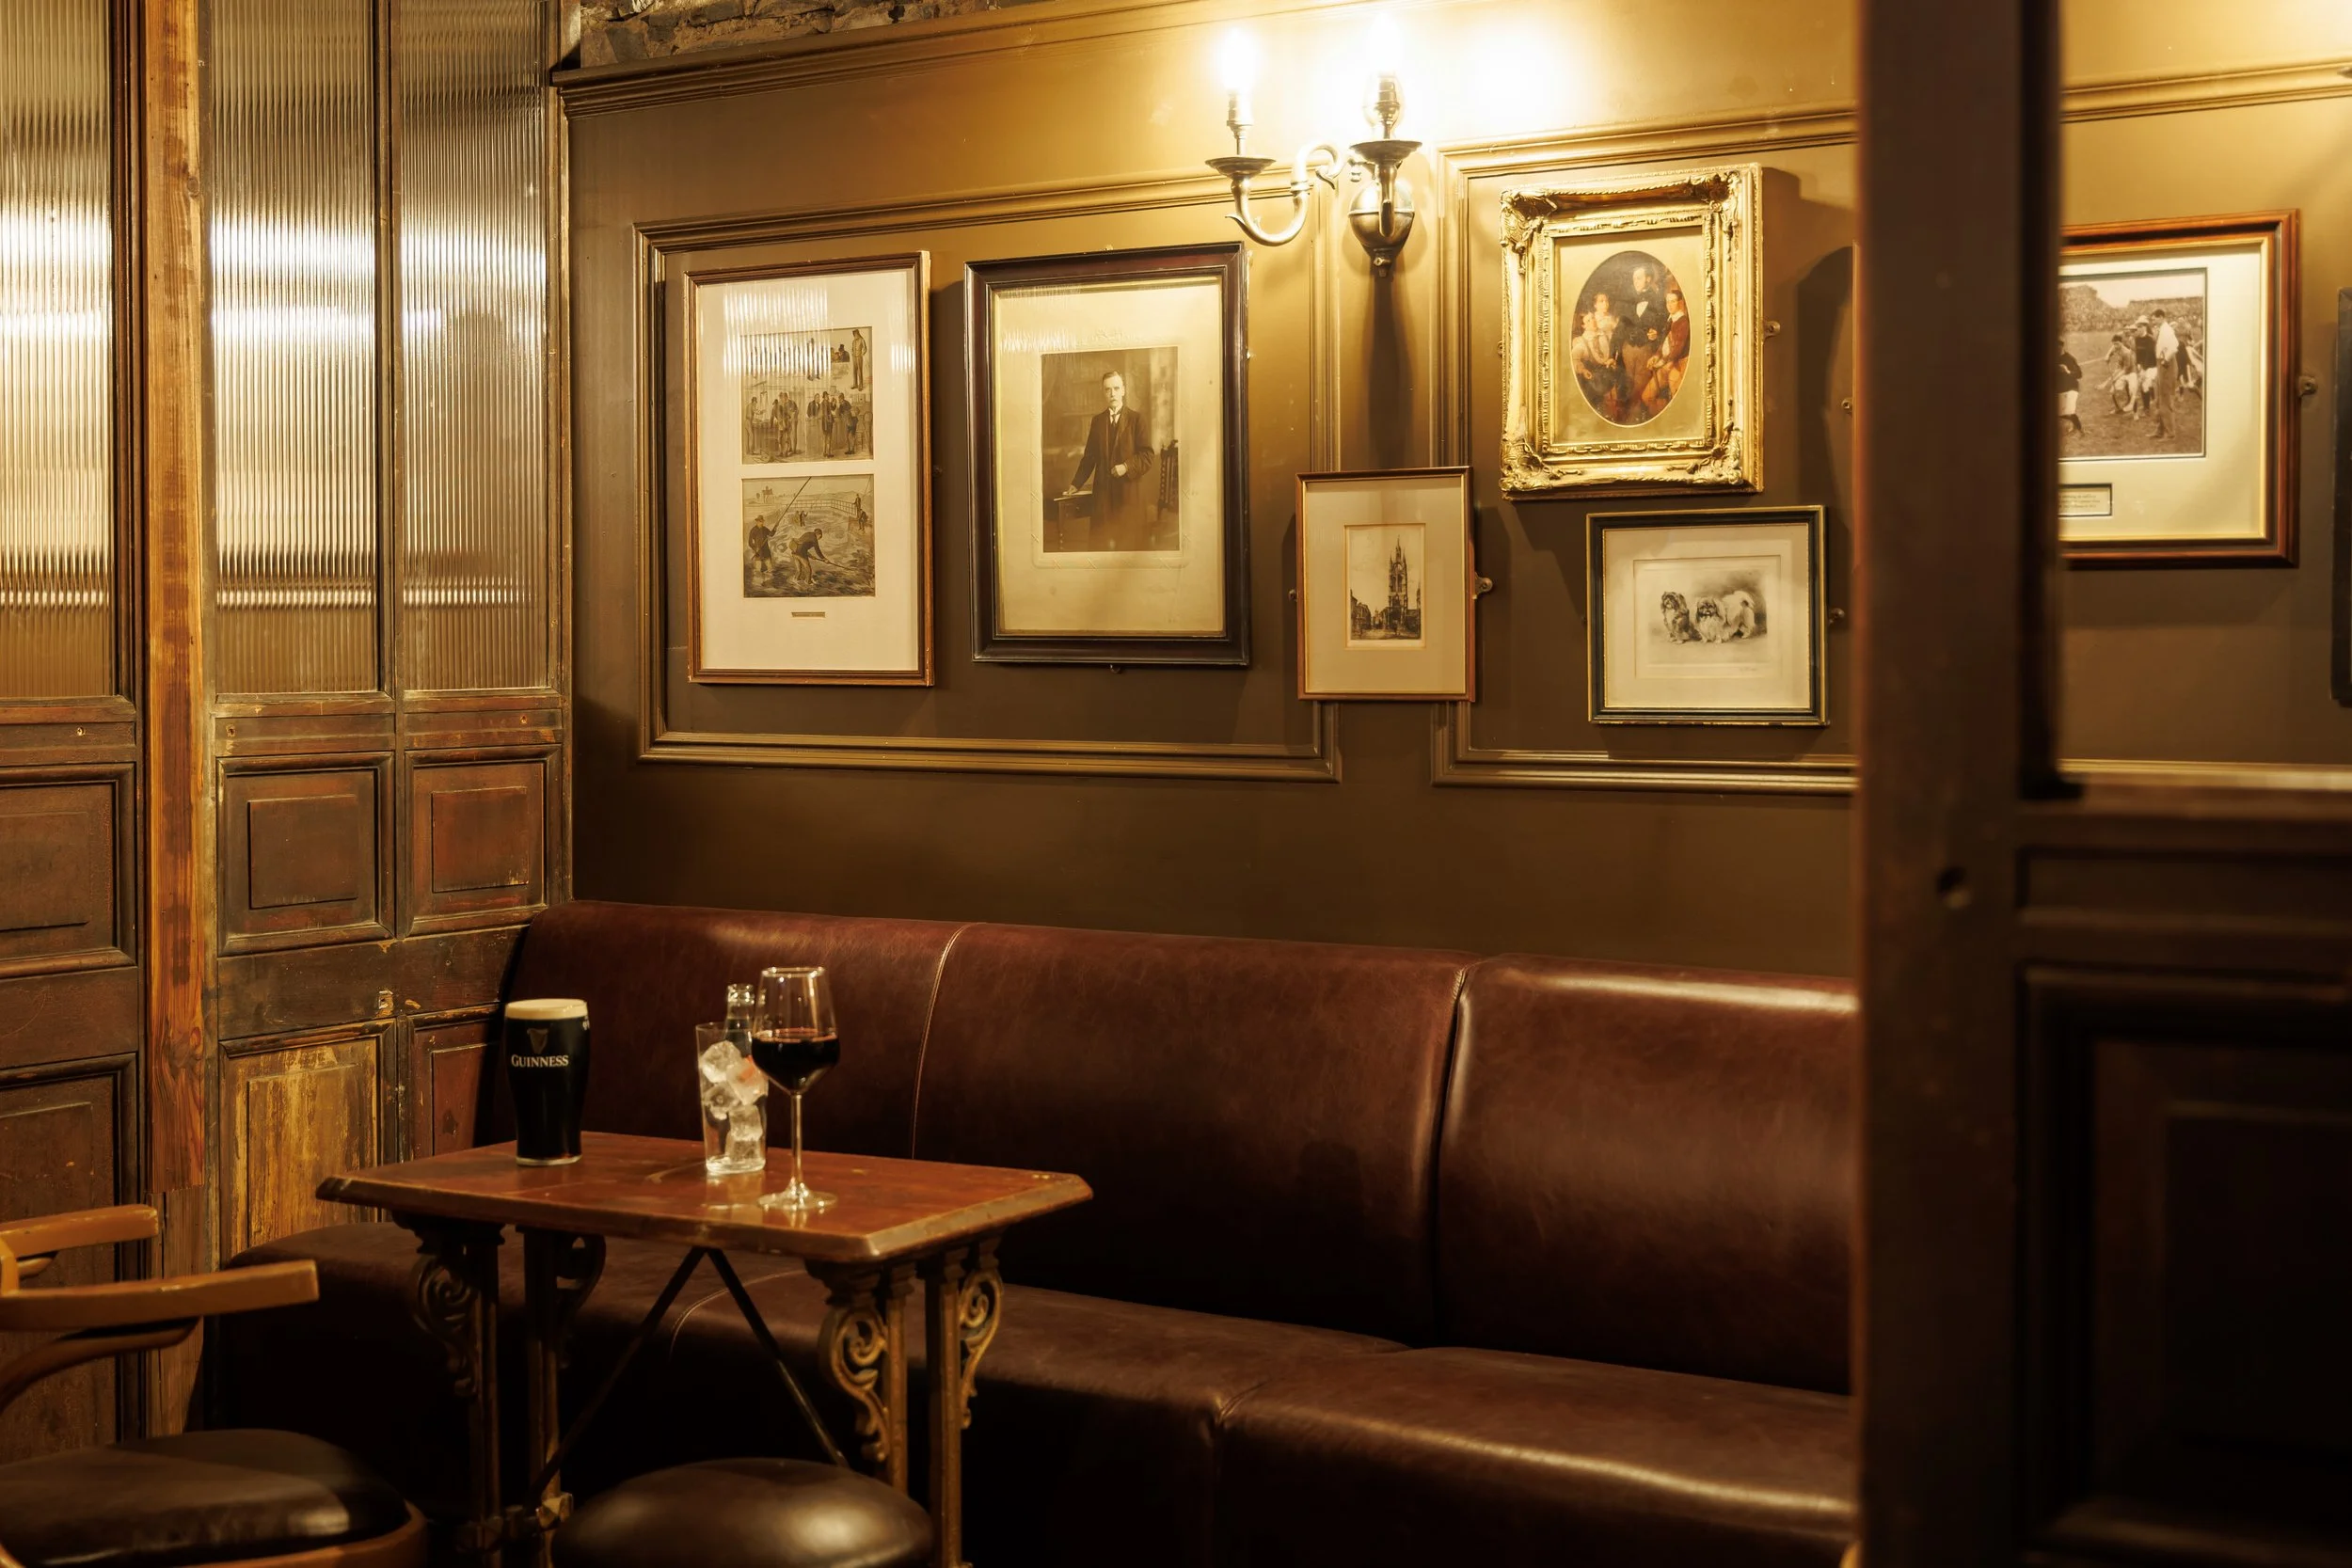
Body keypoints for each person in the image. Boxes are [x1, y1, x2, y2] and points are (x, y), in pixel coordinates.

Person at [1061, 369, 1155, 550]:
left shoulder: (1137, 419)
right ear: (1103, 392)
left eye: (1116, 388)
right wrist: (1076, 483)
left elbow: (1147, 455)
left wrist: (1127, 467)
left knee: (1127, 547)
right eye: (1108, 389)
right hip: (1104, 496)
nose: (1112, 393)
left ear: (1124, 390)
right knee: (1101, 546)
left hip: (1129, 496)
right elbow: (1089, 457)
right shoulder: (1097, 421)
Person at [2151, 309, 2181, 438]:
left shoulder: (2167, 330)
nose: (2153, 321)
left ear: (2161, 317)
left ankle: (2170, 433)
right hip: (2161, 363)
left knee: (2165, 399)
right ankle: (2160, 430)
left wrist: (2165, 361)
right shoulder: (2162, 329)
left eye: (2155, 318)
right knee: (2160, 399)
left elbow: (2174, 347)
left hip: (2166, 365)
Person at [2058, 337, 2083, 436]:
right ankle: (2075, 424)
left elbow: (2079, 374)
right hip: (2060, 389)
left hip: (2072, 388)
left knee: (2069, 410)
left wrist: (2067, 371)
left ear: (2062, 346)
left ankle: (2081, 431)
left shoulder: (2070, 358)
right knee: (2060, 413)